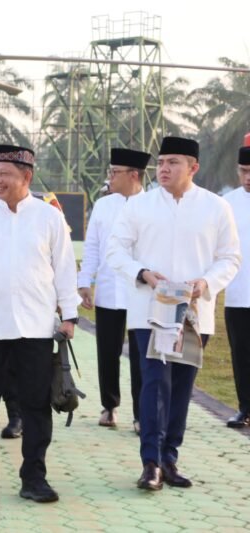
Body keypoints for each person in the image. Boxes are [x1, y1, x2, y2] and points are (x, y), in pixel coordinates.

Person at [107, 136, 240, 491]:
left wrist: (205, 283)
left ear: (193, 167)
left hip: (195, 314)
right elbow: (115, 252)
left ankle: (170, 458)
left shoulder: (215, 207)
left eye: (173, 163)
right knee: (154, 385)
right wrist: (143, 273)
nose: (164, 169)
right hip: (150, 313)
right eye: (161, 162)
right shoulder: (138, 206)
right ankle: (150, 462)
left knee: (181, 389)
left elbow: (230, 258)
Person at [0, 144, 79, 503]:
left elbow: (65, 269)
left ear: (26, 177)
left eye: (4, 175)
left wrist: (68, 316)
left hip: (35, 328)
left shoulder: (50, 218)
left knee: (35, 404)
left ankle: (33, 476)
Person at [78, 148, 151, 433]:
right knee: (107, 350)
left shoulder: (152, 205)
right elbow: (93, 246)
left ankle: (140, 413)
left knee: (140, 353)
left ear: (133, 175)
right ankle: (109, 405)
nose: (110, 177)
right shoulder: (103, 206)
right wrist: (85, 281)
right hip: (109, 289)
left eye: (114, 172)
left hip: (141, 291)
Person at [225, 146, 250, 428]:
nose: (248, 178)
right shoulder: (228, 204)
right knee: (241, 353)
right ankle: (245, 407)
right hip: (238, 292)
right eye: (244, 172)